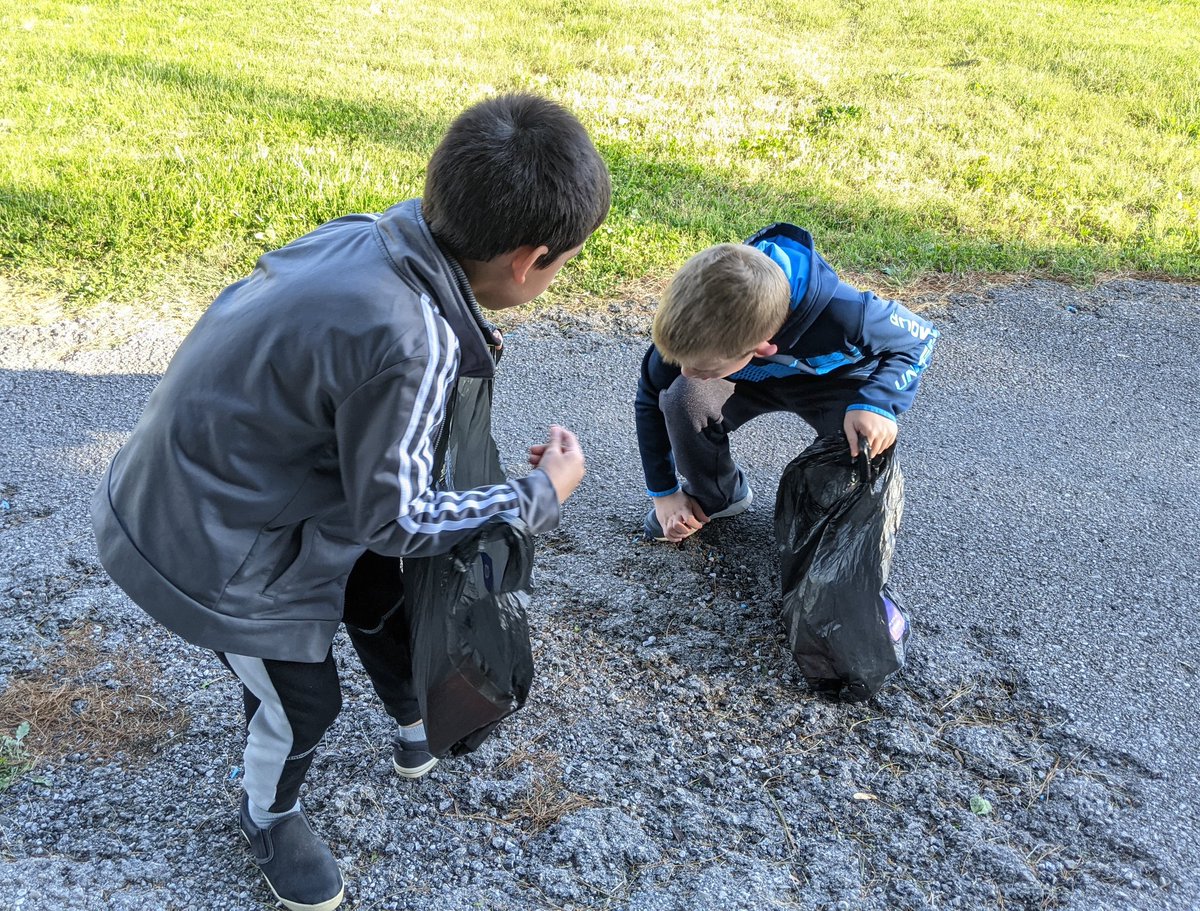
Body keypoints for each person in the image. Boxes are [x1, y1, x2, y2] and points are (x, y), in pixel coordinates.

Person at [92, 94, 610, 911]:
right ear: (531, 259)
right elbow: (395, 518)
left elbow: (361, 375)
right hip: (207, 548)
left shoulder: (374, 235)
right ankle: (268, 812)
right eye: (566, 262)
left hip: (213, 477)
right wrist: (536, 494)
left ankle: (411, 712)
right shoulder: (415, 339)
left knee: (381, 583)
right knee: (304, 699)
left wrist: (465, 343)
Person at [635, 222, 937, 543]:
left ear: (762, 346)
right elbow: (649, 400)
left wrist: (879, 403)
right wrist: (664, 493)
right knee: (681, 396)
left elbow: (919, 339)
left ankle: (825, 508)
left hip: (828, 382)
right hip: (746, 379)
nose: (684, 370)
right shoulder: (694, 331)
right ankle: (717, 494)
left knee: (866, 435)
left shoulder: (847, 313)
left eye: (701, 368)